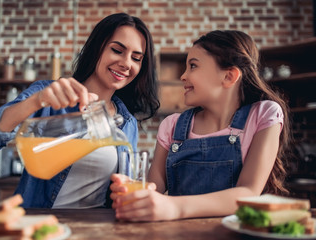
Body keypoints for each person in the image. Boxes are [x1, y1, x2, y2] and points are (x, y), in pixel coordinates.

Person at [0, 13, 159, 209]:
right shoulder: (46, 95)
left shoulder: (127, 122)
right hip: (45, 227)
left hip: (100, 229)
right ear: (97, 48)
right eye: (117, 50)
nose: (126, 63)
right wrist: (36, 102)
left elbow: (123, 190)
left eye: (136, 58)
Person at [110, 30, 292, 222]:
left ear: (229, 77)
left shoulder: (263, 115)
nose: (183, 76)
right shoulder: (172, 126)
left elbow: (248, 193)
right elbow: (153, 188)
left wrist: (174, 207)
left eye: (193, 66)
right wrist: (132, 191)